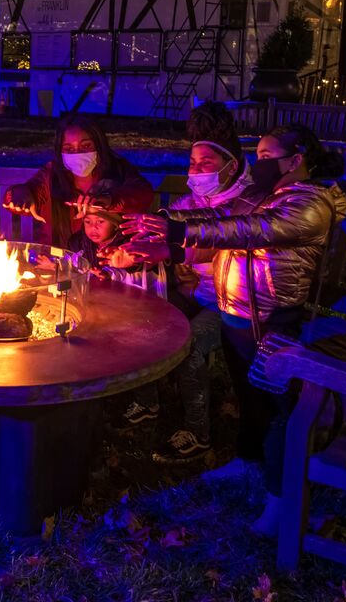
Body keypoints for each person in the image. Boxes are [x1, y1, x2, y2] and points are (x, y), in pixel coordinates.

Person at [121, 124, 346, 535]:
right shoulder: (272, 194)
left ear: (296, 160)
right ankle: (248, 461)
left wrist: (177, 232)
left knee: (279, 407)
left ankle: (281, 500)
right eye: (256, 154)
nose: (258, 164)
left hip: (273, 318)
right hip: (238, 313)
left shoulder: (309, 204)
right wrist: (168, 219)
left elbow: (247, 231)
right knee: (250, 397)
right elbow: (222, 217)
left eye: (266, 156)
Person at [113, 103, 255, 460]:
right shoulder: (194, 199)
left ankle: (198, 432)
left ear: (231, 166)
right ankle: (148, 402)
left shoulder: (248, 206)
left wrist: (170, 251)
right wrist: (134, 247)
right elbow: (170, 220)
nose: (197, 171)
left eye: (206, 164)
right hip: (193, 291)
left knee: (189, 349)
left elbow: (216, 243)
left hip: (229, 303)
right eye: (192, 164)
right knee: (141, 321)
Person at [3, 115, 154, 247]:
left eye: (86, 146)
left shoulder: (119, 170)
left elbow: (142, 193)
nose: (78, 154)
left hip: (106, 263)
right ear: (59, 151)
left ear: (99, 145)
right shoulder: (52, 175)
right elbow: (28, 192)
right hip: (56, 262)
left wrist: (109, 199)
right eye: (69, 149)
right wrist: (19, 194)